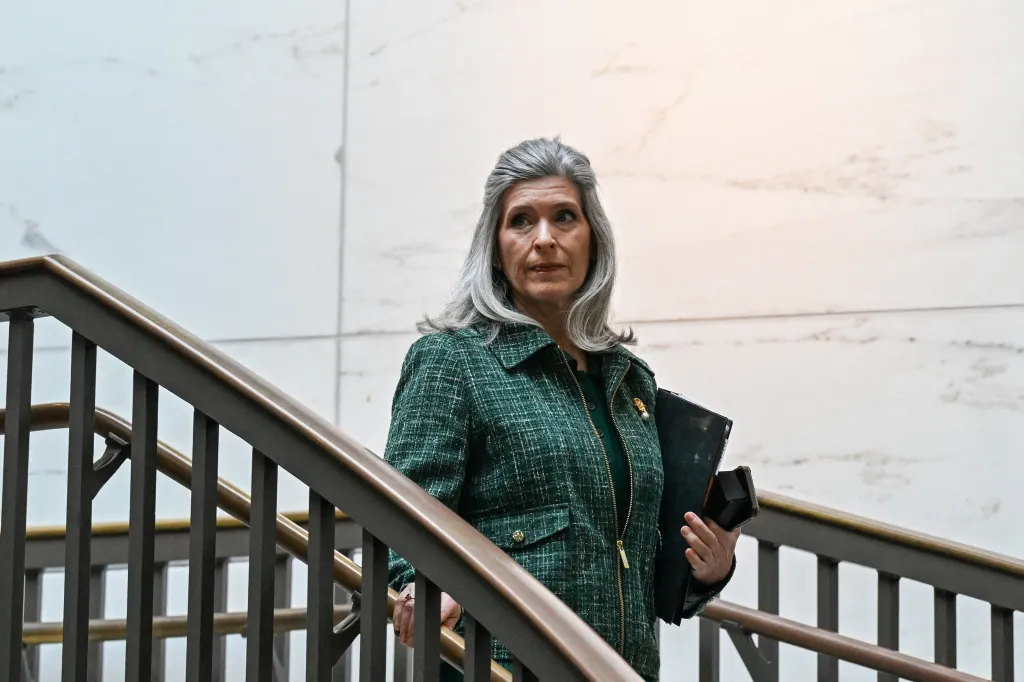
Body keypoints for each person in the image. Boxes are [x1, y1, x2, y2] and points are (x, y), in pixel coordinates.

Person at [384, 137, 739, 681]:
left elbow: (637, 555)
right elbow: (402, 516)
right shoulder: (452, 361)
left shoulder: (629, 379)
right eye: (521, 221)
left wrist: (709, 571)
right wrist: (416, 584)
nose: (544, 239)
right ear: (495, 247)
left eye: (564, 217)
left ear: (593, 239)